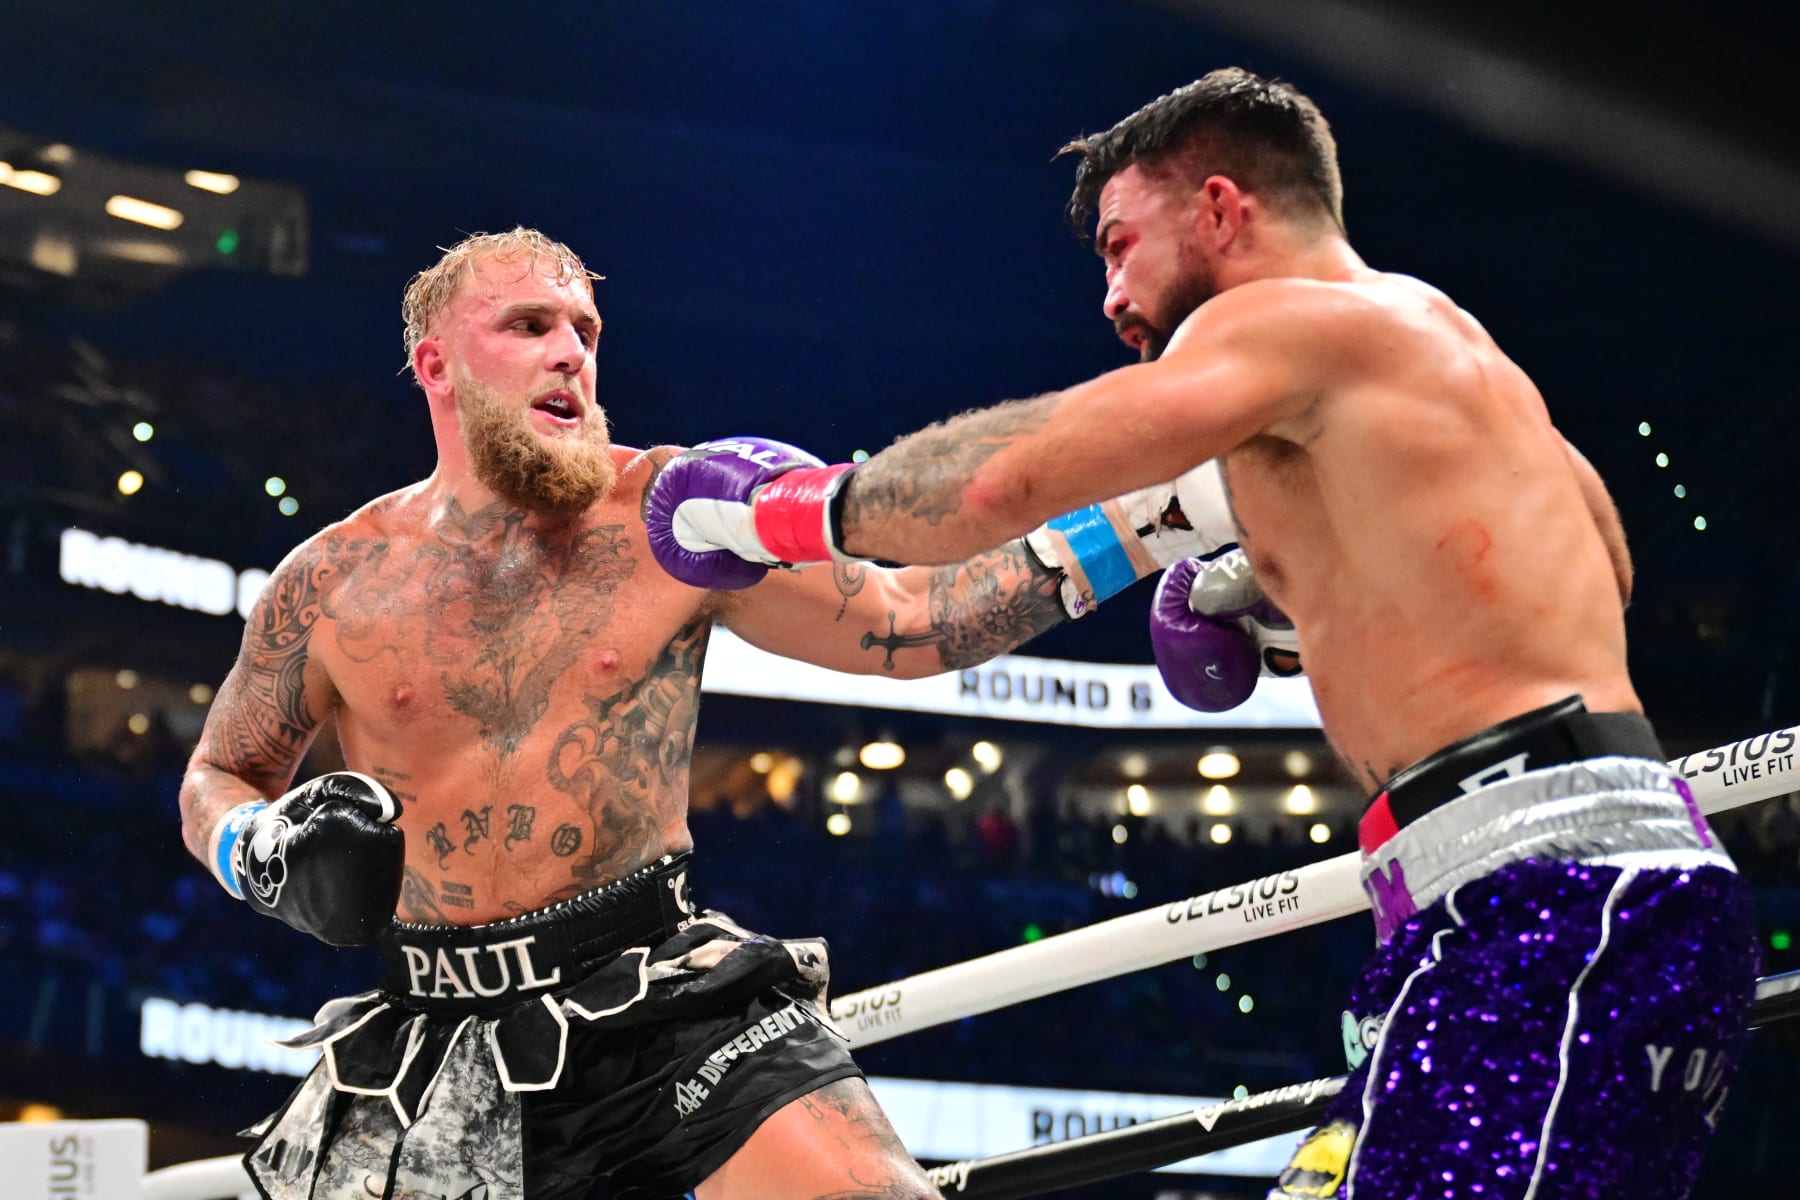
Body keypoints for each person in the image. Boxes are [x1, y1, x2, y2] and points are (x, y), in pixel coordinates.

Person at [646, 70, 1759, 1200]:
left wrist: (783, 511)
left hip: (1553, 899)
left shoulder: (1285, 318)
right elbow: (1603, 565)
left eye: (1124, 244)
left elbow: (1002, 482)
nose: (1112, 295)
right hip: (1537, 894)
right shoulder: (1450, 348)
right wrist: (1309, 588)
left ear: (1222, 209)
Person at [177, 227, 1245, 1200]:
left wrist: (1160, 517)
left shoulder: (675, 517)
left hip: (658, 1006)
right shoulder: (331, 580)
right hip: (431, 1045)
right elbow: (219, 774)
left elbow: (914, 620)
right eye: (530, 325)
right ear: (437, 364)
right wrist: (257, 848)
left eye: (585, 330)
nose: (570, 353)